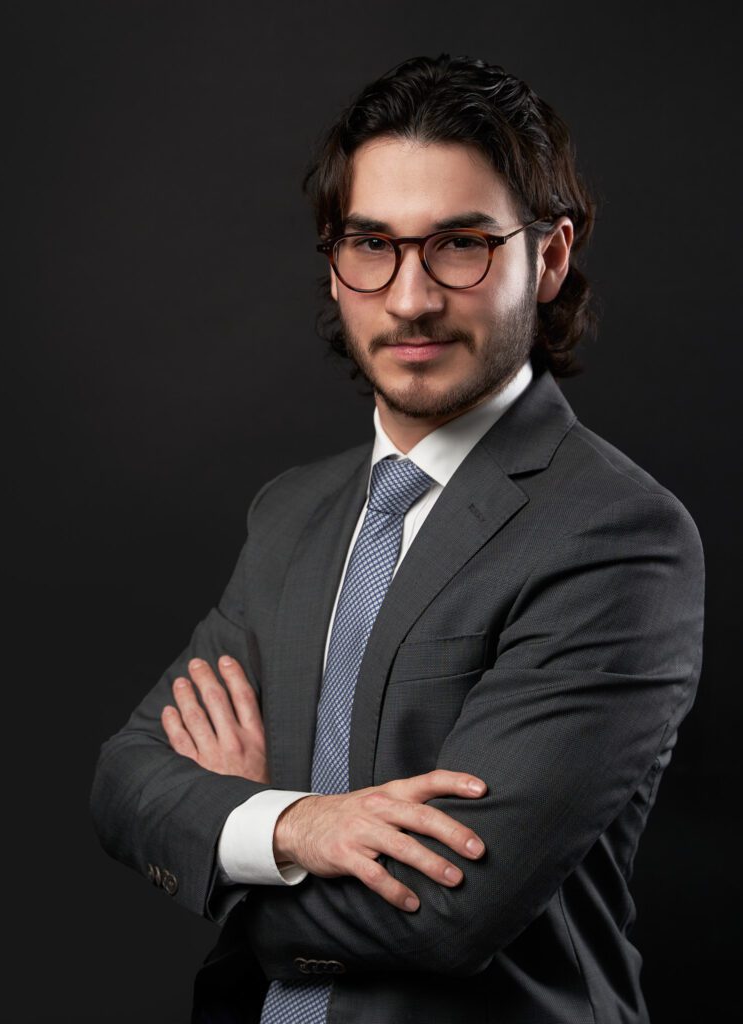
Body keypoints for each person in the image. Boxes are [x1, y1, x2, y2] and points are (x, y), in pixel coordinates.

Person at [90, 54, 704, 1024]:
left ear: (547, 258)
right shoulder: (290, 512)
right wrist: (296, 823)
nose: (410, 297)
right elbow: (127, 779)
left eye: (459, 245)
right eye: (371, 245)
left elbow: (444, 917)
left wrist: (229, 838)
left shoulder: (619, 535)